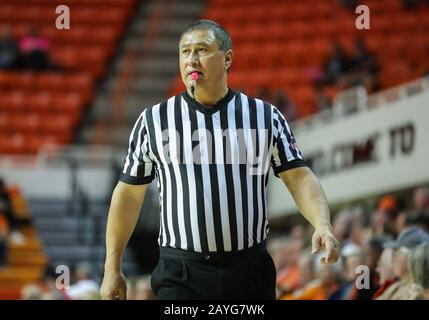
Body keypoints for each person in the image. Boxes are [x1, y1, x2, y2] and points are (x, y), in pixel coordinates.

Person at [100, 19, 340, 300]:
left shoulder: (264, 116)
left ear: (227, 59)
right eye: (185, 52)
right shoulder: (153, 120)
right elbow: (128, 194)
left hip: (248, 269)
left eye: (202, 49)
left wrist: (322, 225)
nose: (191, 59)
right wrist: (111, 267)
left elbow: (299, 177)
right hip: (181, 272)